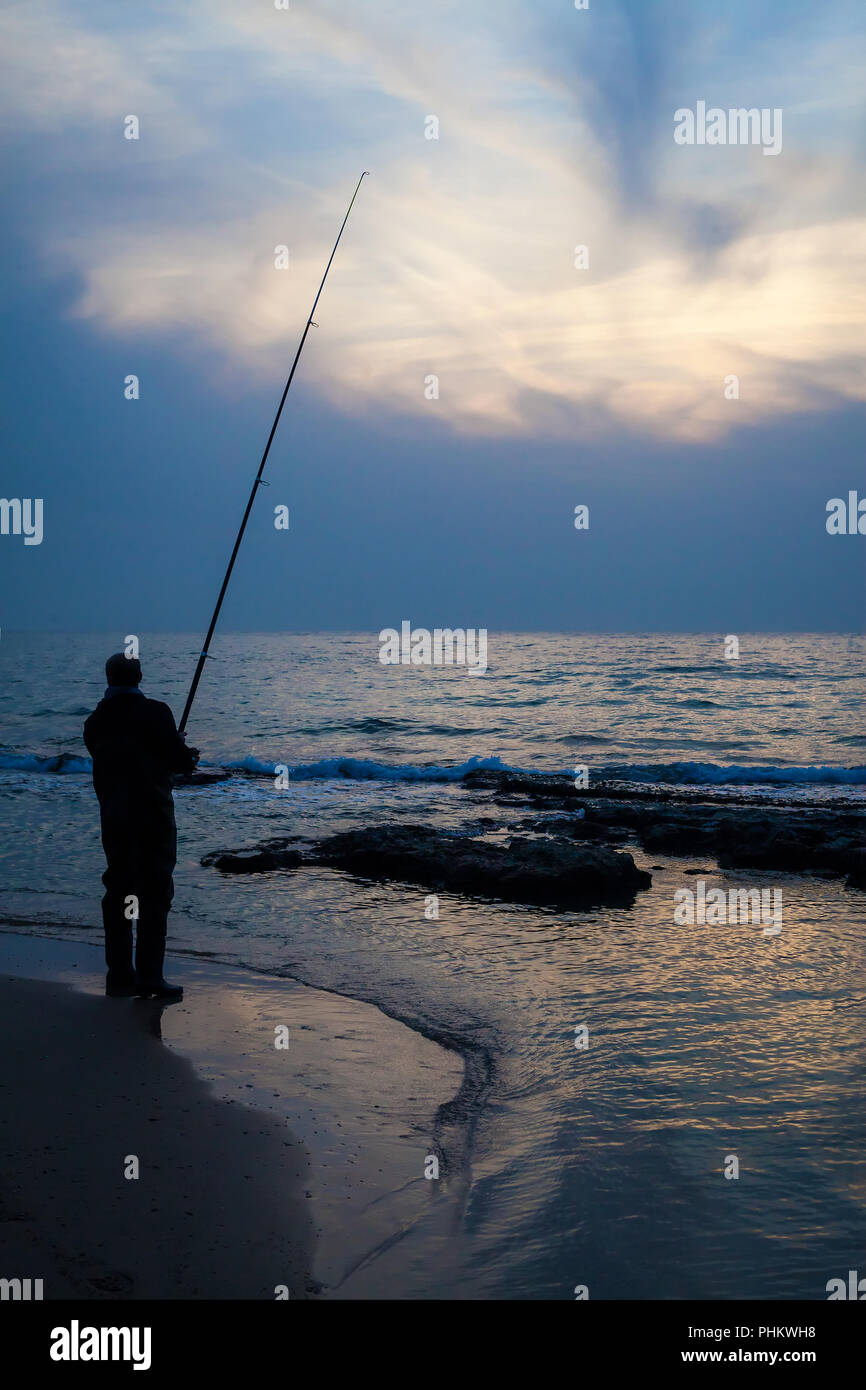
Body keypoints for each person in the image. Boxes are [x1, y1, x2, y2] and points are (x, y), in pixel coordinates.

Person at [83, 653, 199, 999]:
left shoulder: (94, 722)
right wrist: (185, 752)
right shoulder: (157, 712)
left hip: (115, 819)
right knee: (155, 891)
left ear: (108, 678)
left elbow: (119, 757)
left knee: (119, 890)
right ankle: (149, 976)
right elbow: (179, 762)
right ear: (140, 677)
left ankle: (119, 977)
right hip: (153, 817)